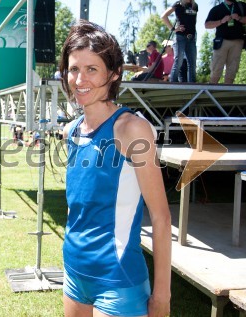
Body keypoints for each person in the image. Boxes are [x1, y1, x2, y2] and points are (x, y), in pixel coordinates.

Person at [59, 20, 171, 317]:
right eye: (73, 69)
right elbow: (77, 207)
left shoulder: (131, 129)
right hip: (73, 275)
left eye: (91, 69)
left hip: (117, 280)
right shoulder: (70, 131)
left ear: (115, 73)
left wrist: (162, 294)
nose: (79, 79)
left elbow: (160, 216)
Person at [205, 0, 246, 84]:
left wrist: (239, 18)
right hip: (222, 42)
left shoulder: (241, 6)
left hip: (238, 42)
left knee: (232, 70)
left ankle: (225, 95)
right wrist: (221, 21)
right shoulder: (217, 9)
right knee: (216, 69)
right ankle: (210, 93)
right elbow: (207, 25)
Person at [161, 0, 198, 83]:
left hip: (192, 37)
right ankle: (173, 83)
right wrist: (173, 28)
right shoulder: (178, 4)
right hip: (180, 37)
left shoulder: (195, 5)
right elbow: (164, 16)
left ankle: (193, 86)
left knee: (192, 63)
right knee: (179, 61)